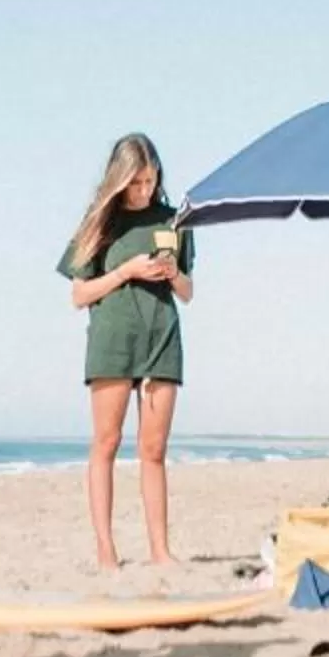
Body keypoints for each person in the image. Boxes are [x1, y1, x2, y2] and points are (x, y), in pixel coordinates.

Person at [55, 133, 195, 570]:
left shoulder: (174, 221)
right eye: (136, 182)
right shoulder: (98, 223)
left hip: (162, 337)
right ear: (119, 180)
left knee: (153, 450)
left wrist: (172, 274)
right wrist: (126, 271)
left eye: (150, 181)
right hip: (113, 339)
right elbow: (79, 296)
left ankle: (160, 550)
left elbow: (188, 293)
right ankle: (105, 550)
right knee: (107, 443)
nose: (144, 190)